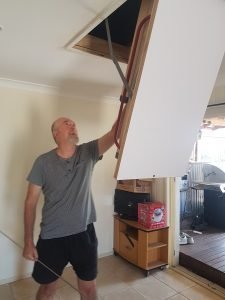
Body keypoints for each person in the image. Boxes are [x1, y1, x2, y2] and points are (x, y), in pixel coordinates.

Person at [22, 116, 122, 300]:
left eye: (74, 123)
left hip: (84, 234)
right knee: (47, 290)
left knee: (89, 289)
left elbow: (115, 133)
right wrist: (28, 241)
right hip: (52, 238)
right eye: (66, 123)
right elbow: (30, 202)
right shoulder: (42, 162)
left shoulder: (89, 152)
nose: (73, 124)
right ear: (55, 133)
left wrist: (127, 103)